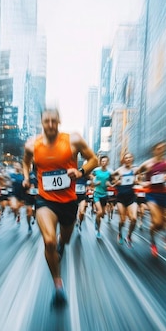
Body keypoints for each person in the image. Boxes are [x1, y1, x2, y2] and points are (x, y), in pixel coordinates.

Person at [22, 108, 98, 305]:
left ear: (59, 121)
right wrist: (26, 178)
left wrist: (80, 172)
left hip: (68, 202)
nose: (50, 124)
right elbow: (25, 162)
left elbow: (94, 159)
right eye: (46, 121)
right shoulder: (32, 145)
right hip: (45, 201)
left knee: (64, 240)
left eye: (53, 121)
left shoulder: (73, 140)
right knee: (49, 241)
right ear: (41, 122)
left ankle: (60, 243)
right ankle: (58, 284)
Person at [136, 142, 166, 256]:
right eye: (159, 148)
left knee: (163, 224)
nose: (162, 150)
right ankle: (153, 241)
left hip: (164, 194)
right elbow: (137, 173)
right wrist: (142, 182)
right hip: (151, 194)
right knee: (157, 221)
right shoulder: (148, 164)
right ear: (154, 150)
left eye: (164, 148)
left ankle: (162, 236)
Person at [112, 152, 138, 247]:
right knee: (122, 220)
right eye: (126, 158)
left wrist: (137, 181)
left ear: (132, 159)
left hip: (131, 196)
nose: (128, 159)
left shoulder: (135, 170)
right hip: (121, 197)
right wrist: (116, 181)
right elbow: (112, 177)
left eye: (129, 157)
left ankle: (129, 236)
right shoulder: (119, 170)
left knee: (134, 219)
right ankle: (120, 233)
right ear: (123, 160)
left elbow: (140, 179)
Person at [92, 155, 112, 239]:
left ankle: (97, 220)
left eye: (105, 161)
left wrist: (109, 184)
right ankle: (98, 230)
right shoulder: (96, 170)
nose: (104, 163)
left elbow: (112, 181)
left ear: (108, 162)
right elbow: (91, 178)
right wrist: (95, 182)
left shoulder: (110, 172)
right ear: (100, 162)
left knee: (102, 214)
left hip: (104, 194)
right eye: (102, 161)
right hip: (96, 193)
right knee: (99, 212)